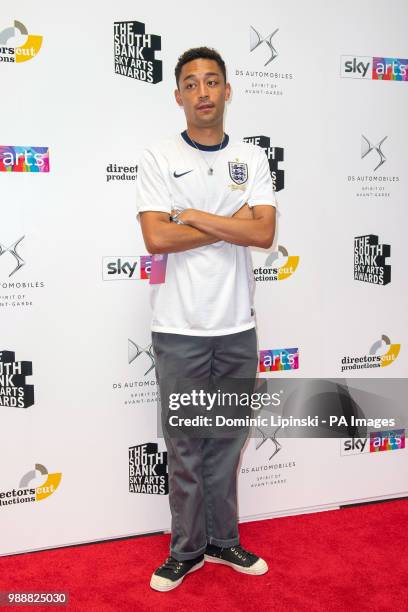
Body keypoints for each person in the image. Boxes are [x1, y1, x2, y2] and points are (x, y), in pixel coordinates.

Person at [136, 46, 277, 592]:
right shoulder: (157, 156)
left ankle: (223, 542)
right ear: (178, 95)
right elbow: (156, 237)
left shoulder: (252, 159)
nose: (202, 92)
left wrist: (192, 214)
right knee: (186, 447)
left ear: (227, 91)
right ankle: (186, 550)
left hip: (237, 327)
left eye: (212, 81)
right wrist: (228, 221)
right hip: (178, 328)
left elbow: (263, 233)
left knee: (226, 441)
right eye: (191, 83)